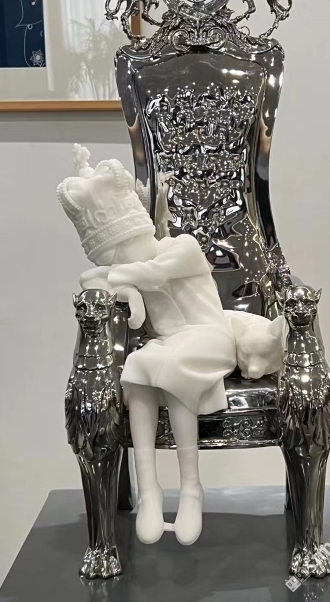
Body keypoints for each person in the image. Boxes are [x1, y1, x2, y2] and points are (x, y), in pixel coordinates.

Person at [57, 146, 238, 546]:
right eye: (112, 257)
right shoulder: (133, 269)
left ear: (139, 231)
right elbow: (98, 283)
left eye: (120, 251)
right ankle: (150, 490)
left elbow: (151, 275)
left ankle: (190, 488)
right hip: (169, 342)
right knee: (138, 369)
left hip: (210, 337)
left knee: (171, 366)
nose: (119, 261)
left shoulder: (182, 247)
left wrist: (116, 278)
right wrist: (126, 291)